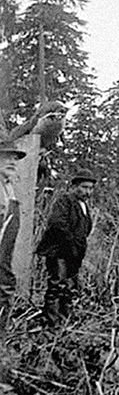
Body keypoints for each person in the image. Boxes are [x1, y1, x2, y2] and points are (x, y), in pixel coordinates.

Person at [36, 168, 96, 326]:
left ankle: (65, 321)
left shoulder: (84, 206)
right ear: (74, 186)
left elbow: (85, 230)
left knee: (69, 287)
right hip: (59, 251)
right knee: (57, 285)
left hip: (73, 253)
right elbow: (57, 224)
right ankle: (51, 323)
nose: (87, 191)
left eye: (90, 188)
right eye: (84, 187)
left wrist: (78, 248)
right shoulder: (65, 200)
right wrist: (71, 243)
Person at [0, 142, 26, 334]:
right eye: (7, 156)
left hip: (3, 255)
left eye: (15, 158)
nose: (12, 161)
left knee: (5, 285)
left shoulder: (10, 188)